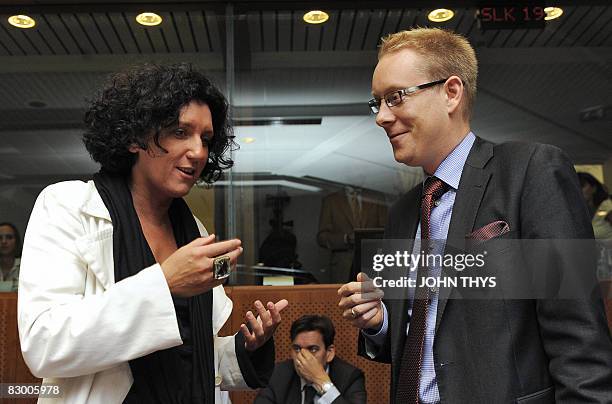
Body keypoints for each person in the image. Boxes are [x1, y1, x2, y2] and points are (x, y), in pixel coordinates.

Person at [337, 28, 612, 403]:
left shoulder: (529, 172)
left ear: (451, 92)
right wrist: (381, 321)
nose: (382, 117)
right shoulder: (403, 213)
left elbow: (580, 341)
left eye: (395, 97)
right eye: (378, 103)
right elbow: (429, 337)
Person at [18, 63, 288, 403]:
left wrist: (248, 347)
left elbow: (190, 359)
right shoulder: (67, 206)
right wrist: (165, 283)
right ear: (134, 137)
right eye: (179, 132)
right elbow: (44, 344)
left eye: (206, 139)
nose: (198, 151)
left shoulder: (194, 231)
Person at [255, 315, 366, 404]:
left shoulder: (350, 378)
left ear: (329, 353)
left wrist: (322, 383)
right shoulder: (276, 375)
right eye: (297, 349)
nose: (303, 357)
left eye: (313, 349)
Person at [317, 187, 387, 283]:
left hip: (373, 261)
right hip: (343, 266)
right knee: (344, 296)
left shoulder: (376, 197)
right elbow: (322, 238)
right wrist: (345, 239)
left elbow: (386, 231)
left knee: (373, 296)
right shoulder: (331, 200)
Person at [578, 172, 612, 239]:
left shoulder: (607, 207)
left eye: (582, 186)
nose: (579, 190)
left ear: (594, 188)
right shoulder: (585, 211)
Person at [0, 222, 20, 291]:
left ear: (16, 241)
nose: (4, 241)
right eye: (0, 238)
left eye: (9, 237)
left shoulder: (26, 267)